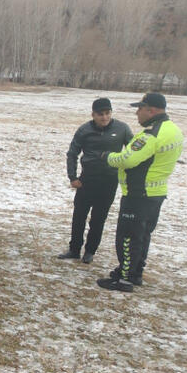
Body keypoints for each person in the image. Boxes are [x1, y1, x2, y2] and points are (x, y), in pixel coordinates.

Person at [96, 93, 183, 292]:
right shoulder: (174, 130)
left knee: (127, 237)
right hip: (156, 192)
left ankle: (125, 279)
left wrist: (108, 156)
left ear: (150, 110)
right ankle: (135, 273)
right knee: (142, 236)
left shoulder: (151, 135)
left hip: (138, 194)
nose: (137, 113)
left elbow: (127, 159)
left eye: (139, 109)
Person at [57, 98, 133, 264]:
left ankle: (90, 251)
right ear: (93, 115)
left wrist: (129, 174)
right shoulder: (84, 130)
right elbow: (72, 153)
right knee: (79, 217)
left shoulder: (122, 129)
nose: (104, 117)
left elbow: (133, 153)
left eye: (107, 113)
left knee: (98, 219)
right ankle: (74, 249)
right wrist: (73, 177)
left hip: (109, 181)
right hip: (87, 180)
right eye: (100, 114)